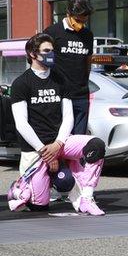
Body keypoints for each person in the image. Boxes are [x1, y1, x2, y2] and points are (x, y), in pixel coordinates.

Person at [7, 33, 105, 215]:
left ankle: (86, 197)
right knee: (39, 207)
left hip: (60, 143)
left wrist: (59, 144)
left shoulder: (61, 79)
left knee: (96, 145)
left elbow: (68, 117)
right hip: (35, 150)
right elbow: (21, 124)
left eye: (52, 51)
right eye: (46, 51)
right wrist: (47, 154)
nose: (51, 54)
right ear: (33, 53)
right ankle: (20, 188)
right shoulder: (21, 84)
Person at [43, 0, 94, 135]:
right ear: (68, 13)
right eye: (77, 20)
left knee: (79, 139)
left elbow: (87, 62)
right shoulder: (52, 32)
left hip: (81, 95)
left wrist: (84, 83)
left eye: (84, 21)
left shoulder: (88, 35)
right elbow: (43, 61)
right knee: (59, 137)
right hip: (59, 94)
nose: (80, 24)